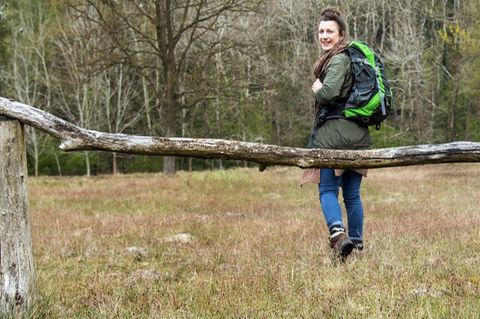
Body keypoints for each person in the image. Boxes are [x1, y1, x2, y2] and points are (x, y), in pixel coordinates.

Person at [307, 8, 371, 258]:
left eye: (329, 32)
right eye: (321, 31)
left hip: (334, 136)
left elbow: (330, 92)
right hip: (359, 135)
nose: (324, 36)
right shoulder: (351, 59)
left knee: (327, 191)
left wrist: (318, 88)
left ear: (341, 34)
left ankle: (338, 236)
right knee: (353, 194)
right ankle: (357, 242)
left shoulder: (339, 59)